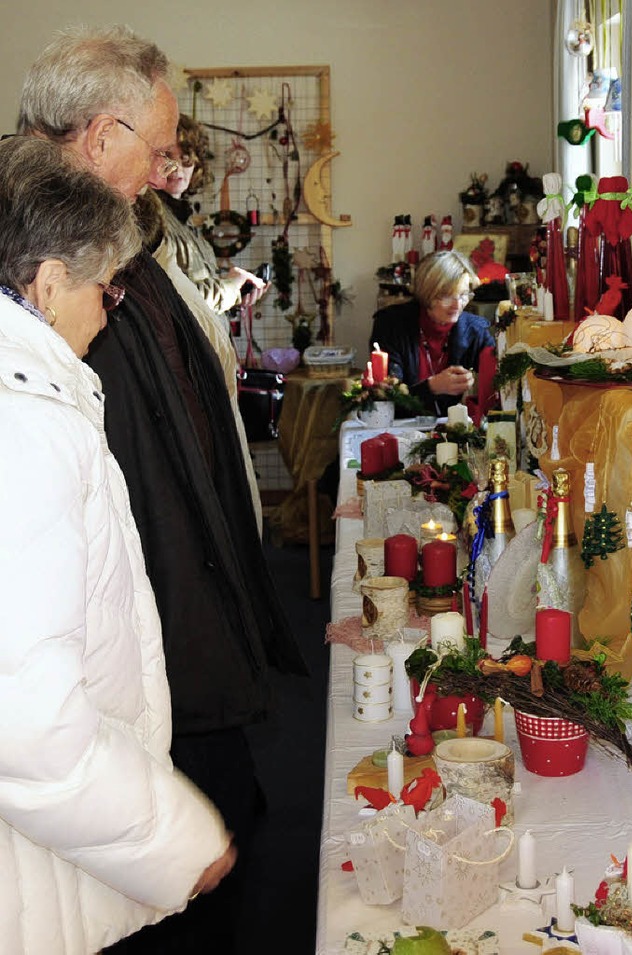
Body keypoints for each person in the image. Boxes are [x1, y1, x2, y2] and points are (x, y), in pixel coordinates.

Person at [18, 24, 308, 954]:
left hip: (168, 648)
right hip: (122, 692)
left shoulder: (126, 240)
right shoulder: (41, 262)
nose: (164, 168)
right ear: (99, 138)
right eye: (157, 146)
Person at [0, 134, 237, 954]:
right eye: (104, 285)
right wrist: (179, 836)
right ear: (49, 281)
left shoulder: (39, 397)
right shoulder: (24, 426)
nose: (111, 305)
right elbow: (30, 723)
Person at [136, 113, 262, 524]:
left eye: (186, 159)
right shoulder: (154, 218)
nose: (178, 170)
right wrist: (231, 286)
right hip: (190, 368)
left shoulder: (178, 217)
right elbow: (183, 299)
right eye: (168, 157)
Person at [370, 249, 496, 418]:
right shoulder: (391, 325)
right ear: (427, 294)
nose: (457, 305)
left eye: (464, 295)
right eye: (446, 296)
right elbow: (386, 400)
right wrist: (432, 387)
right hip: (399, 427)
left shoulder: (475, 330)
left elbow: (498, 376)